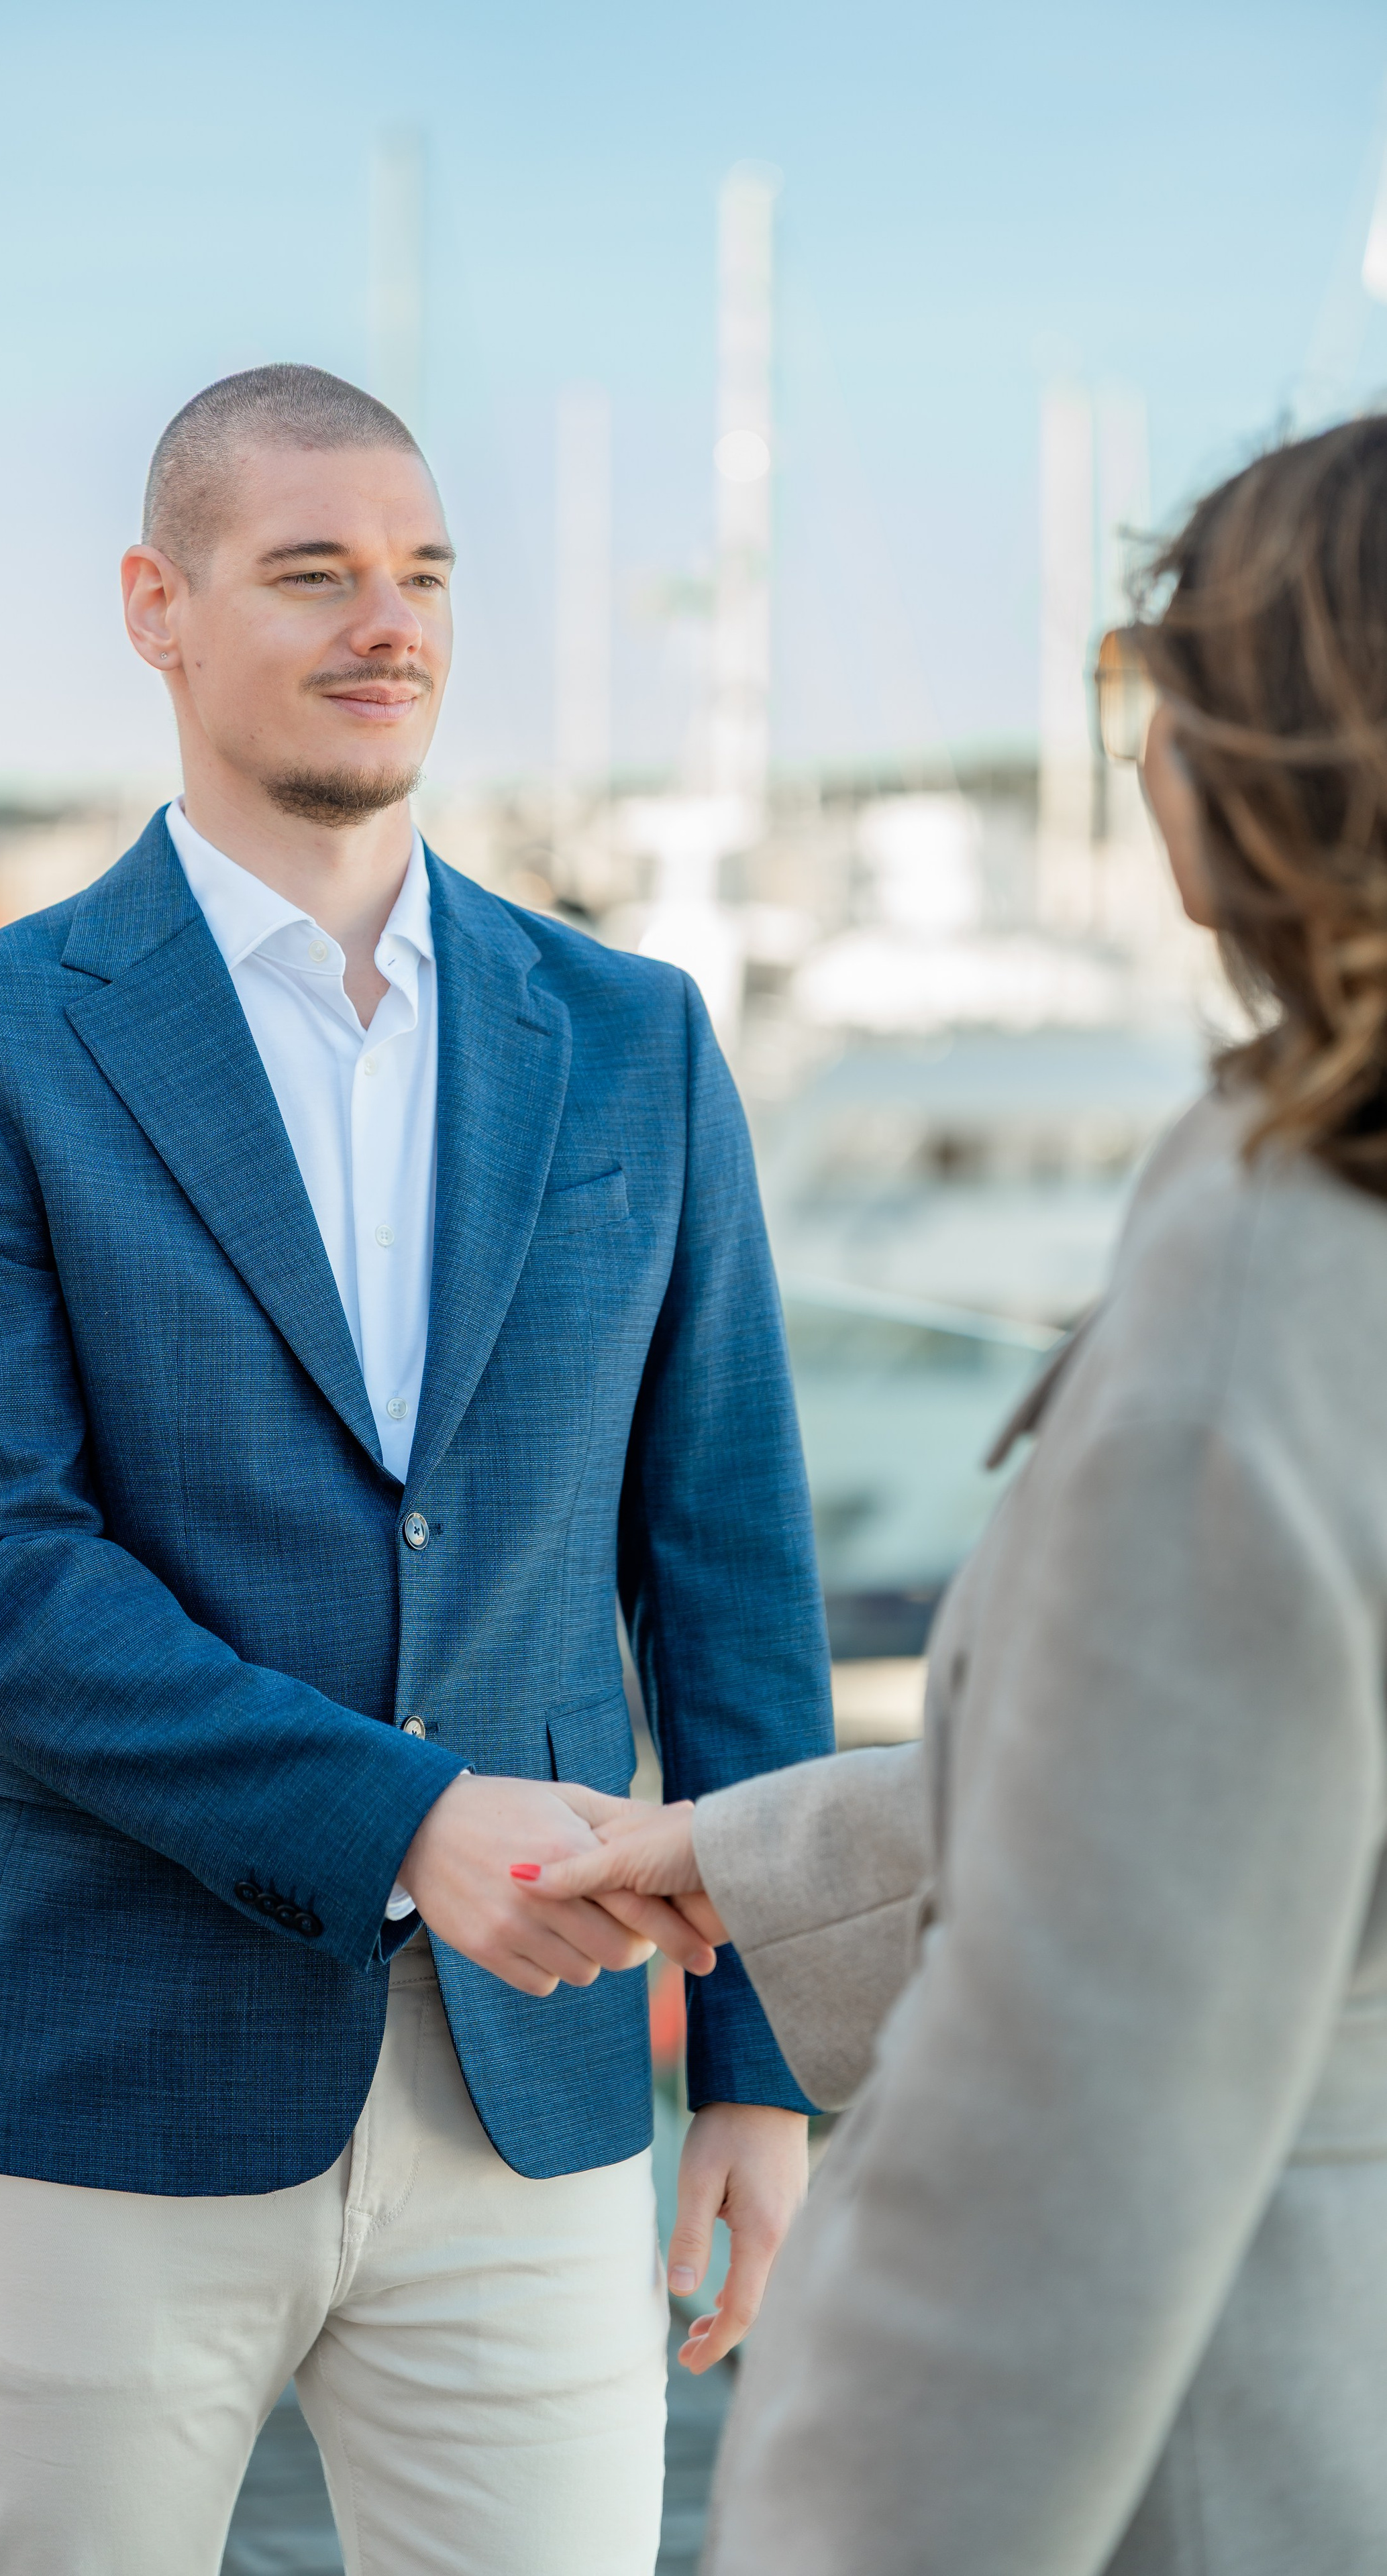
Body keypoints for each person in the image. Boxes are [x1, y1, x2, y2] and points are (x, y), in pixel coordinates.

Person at [0, 363, 827, 2576]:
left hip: (547, 2098)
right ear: (156, 608)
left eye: (425, 575)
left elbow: (728, 1565)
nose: (389, 623)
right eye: (311, 572)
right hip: (105, 2071)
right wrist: (408, 1819)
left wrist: (763, 2054)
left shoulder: (637, 1038)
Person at [529, 417, 1387, 2575]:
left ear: (1259, 764)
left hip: (1249, 2419)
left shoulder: (1273, 1293)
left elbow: (1075, 2105)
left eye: (1148, 687)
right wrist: (745, 1848)